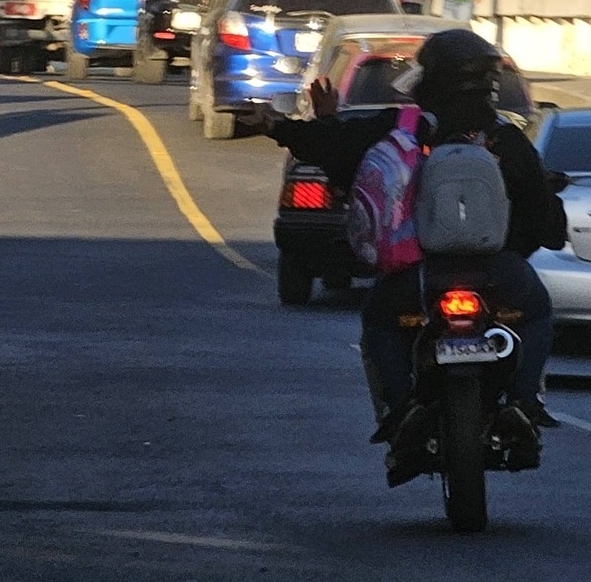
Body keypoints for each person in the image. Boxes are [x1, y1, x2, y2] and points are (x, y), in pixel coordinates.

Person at [239, 29, 564, 485]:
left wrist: (281, 125)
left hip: (418, 276)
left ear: (429, 77)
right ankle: (527, 402)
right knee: (536, 311)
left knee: (379, 321)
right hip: (497, 273)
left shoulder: (401, 128)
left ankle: (401, 408)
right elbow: (542, 226)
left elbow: (334, 147)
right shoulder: (508, 140)